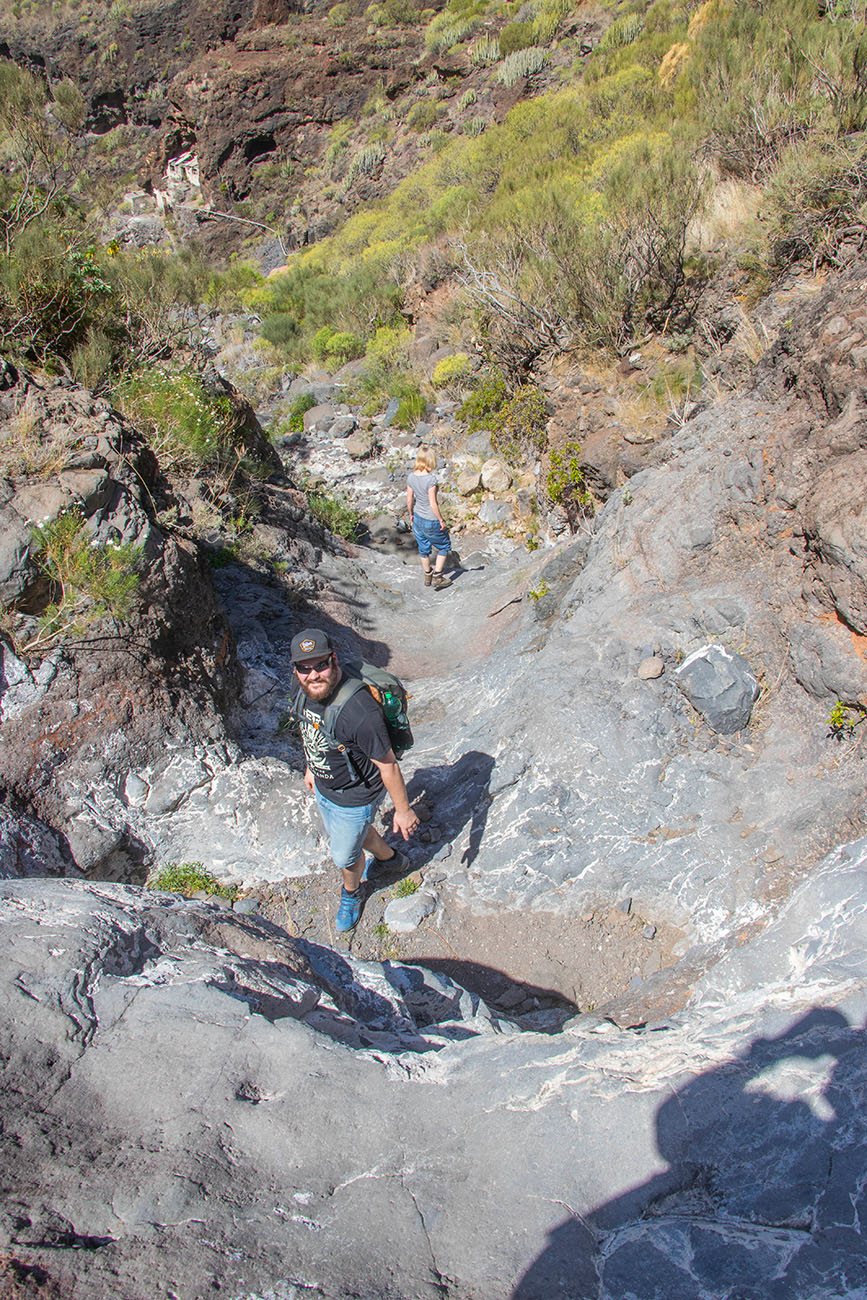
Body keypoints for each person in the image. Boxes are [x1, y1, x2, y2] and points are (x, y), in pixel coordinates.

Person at [290, 627, 419, 933]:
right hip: (325, 786)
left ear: (334, 660)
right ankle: (389, 859)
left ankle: (351, 891)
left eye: (320, 665)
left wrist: (403, 811)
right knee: (355, 835)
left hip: (354, 796)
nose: (313, 675)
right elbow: (309, 725)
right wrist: (311, 765)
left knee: (344, 856)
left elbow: (387, 765)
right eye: (304, 668)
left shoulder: (359, 711)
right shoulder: (306, 689)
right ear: (295, 669)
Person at [406, 446, 451, 589]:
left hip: (418, 517)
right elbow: (433, 503)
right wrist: (441, 520)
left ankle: (427, 575)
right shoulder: (431, 479)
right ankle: (438, 576)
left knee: (423, 548)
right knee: (444, 546)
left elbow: (409, 500)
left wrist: (411, 514)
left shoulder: (411, 477)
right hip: (430, 519)